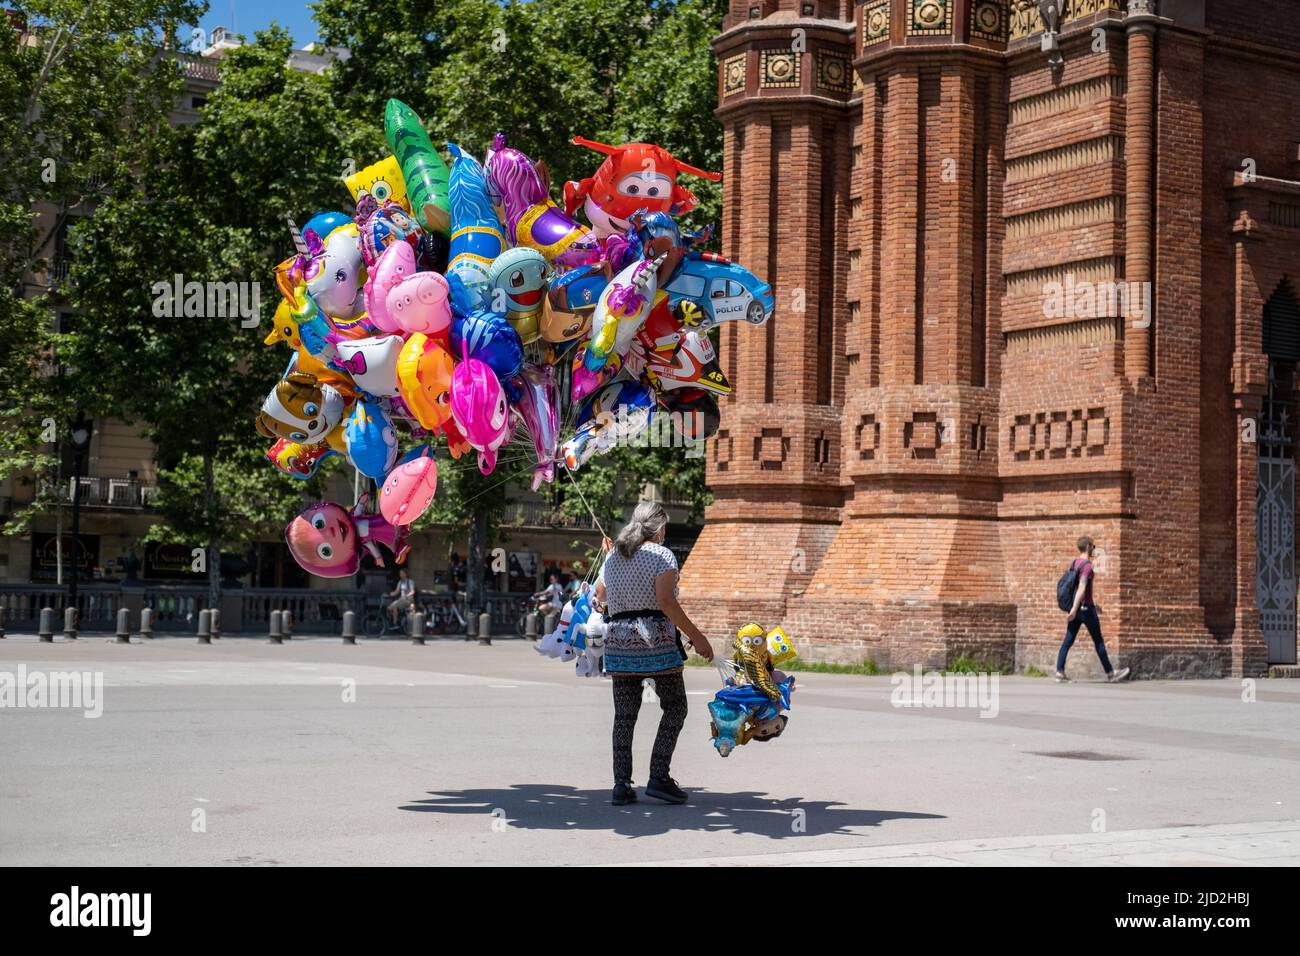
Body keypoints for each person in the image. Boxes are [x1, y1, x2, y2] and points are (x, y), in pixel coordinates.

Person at [595, 502, 715, 806]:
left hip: (620, 640)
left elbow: (600, 596)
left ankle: (621, 785)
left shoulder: (612, 556)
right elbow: (666, 602)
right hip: (656, 641)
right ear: (659, 527)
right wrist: (697, 637)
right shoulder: (662, 556)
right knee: (675, 707)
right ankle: (659, 776)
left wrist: (610, 557)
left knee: (624, 715)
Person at [1056, 537, 1130, 683]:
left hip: (1080, 608)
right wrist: (1075, 609)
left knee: (1068, 640)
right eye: (1093, 546)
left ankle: (1059, 671)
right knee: (1098, 641)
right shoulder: (1088, 566)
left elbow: (1078, 588)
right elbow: (1082, 588)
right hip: (1084, 610)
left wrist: (1082, 607)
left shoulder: (1074, 563)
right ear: (1088, 547)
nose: (1094, 549)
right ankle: (1111, 673)